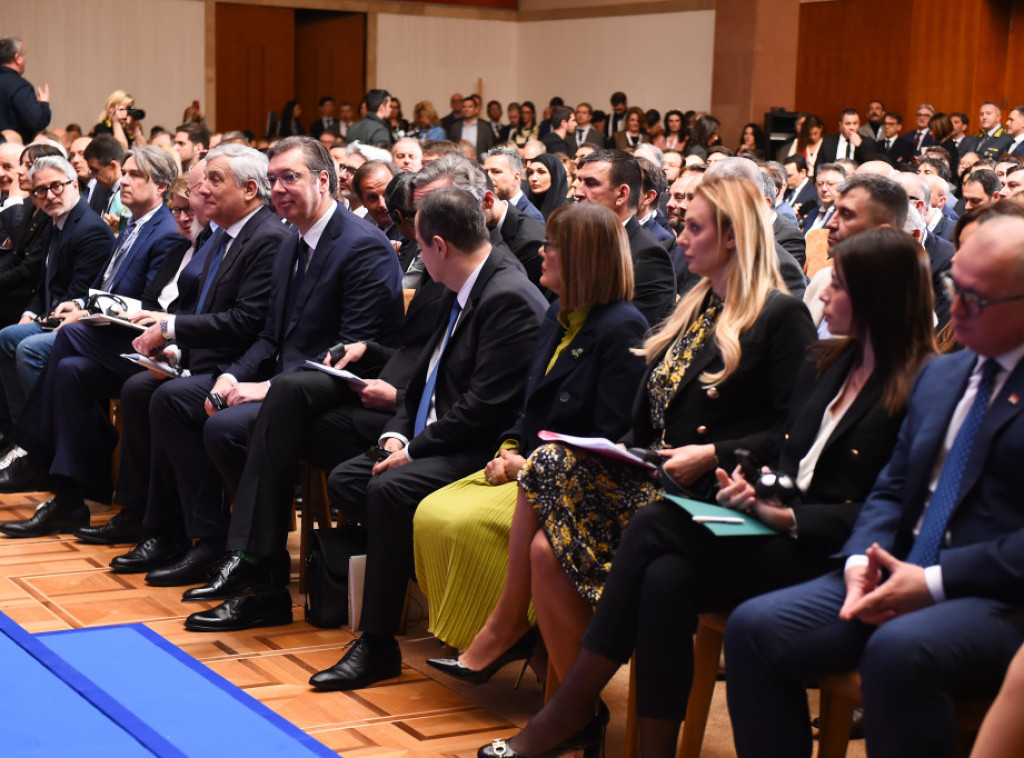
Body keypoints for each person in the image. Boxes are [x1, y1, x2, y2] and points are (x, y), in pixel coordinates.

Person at [480, 226, 935, 758]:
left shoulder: (920, 384)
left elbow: (889, 506)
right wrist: (755, 488)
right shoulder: (831, 362)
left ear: (877, 298)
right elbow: (791, 457)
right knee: (664, 578)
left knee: (656, 522)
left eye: (838, 286)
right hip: (778, 528)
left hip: (829, 554)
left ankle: (566, 712)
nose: (824, 293)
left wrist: (786, 516)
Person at [725, 214, 1024, 758]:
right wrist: (862, 559)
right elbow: (893, 485)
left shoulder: (934, 371)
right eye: (954, 288)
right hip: (894, 567)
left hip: (996, 597)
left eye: (976, 300)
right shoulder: (945, 375)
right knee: (752, 628)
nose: (955, 310)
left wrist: (932, 581)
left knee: (896, 651)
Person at [304, 187, 549, 690]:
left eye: (418, 244)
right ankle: (434, 588)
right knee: (351, 477)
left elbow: (484, 409)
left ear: (439, 245)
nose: (416, 255)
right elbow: (421, 380)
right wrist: (397, 436)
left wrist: (414, 450)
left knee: (387, 490)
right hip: (435, 433)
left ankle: (378, 642)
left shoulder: (508, 296)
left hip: (480, 448)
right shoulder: (460, 283)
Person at [413, 203, 648, 661]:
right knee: (432, 511)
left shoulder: (622, 326)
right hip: (529, 464)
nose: (542, 252)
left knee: (464, 524)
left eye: (553, 246)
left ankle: (518, 640)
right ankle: (504, 637)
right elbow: (530, 405)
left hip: (580, 480)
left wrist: (527, 464)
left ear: (582, 259)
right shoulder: (559, 311)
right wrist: (508, 447)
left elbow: (609, 436)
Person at [0, 37, 50, 144]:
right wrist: (44, 104)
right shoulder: (19, 86)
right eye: (24, 54)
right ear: (17, 57)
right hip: (11, 149)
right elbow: (36, 122)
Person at [525, 153, 569, 221]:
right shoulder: (525, 208)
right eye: (531, 172)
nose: (533, 178)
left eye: (541, 172)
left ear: (554, 176)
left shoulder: (568, 211)